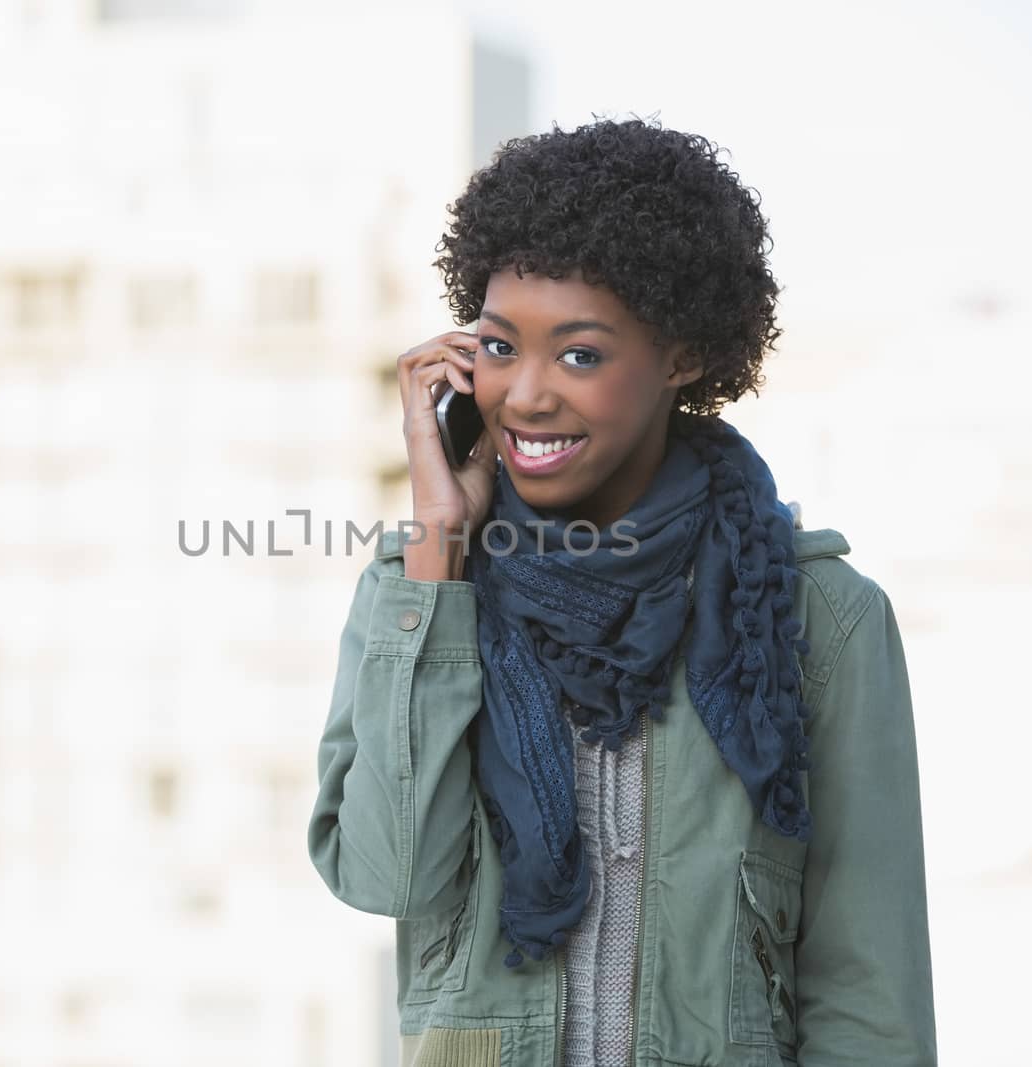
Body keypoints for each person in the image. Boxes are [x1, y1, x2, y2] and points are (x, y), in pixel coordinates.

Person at [307, 117, 936, 1067]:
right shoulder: (422, 599)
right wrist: (437, 549)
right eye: (498, 347)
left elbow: (867, 997)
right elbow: (386, 876)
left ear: (681, 355)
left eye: (580, 354)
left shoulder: (820, 618)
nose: (523, 396)